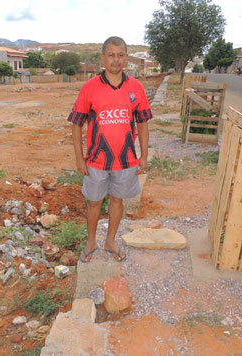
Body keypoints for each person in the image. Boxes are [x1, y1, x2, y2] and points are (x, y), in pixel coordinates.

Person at [68, 36, 152, 263]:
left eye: (121, 55)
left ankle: (111, 241)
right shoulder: (90, 88)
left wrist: (143, 156)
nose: (116, 60)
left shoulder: (136, 88)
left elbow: (143, 123)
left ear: (126, 58)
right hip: (95, 161)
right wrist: (79, 158)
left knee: (117, 201)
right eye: (111, 55)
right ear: (103, 58)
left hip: (125, 161)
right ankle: (92, 241)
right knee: (94, 202)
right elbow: (76, 123)